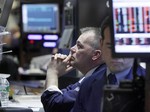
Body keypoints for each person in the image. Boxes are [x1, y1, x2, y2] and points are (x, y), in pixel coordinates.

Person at [72, 16, 145, 112]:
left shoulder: (146, 83)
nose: (115, 55)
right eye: (110, 46)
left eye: (122, 47)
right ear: (101, 44)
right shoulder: (87, 85)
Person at [41, 27, 105, 112]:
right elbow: (57, 97)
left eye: (79, 46)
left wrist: (52, 73)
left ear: (96, 54)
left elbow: (54, 106)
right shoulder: (91, 76)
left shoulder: (97, 80)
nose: (72, 48)